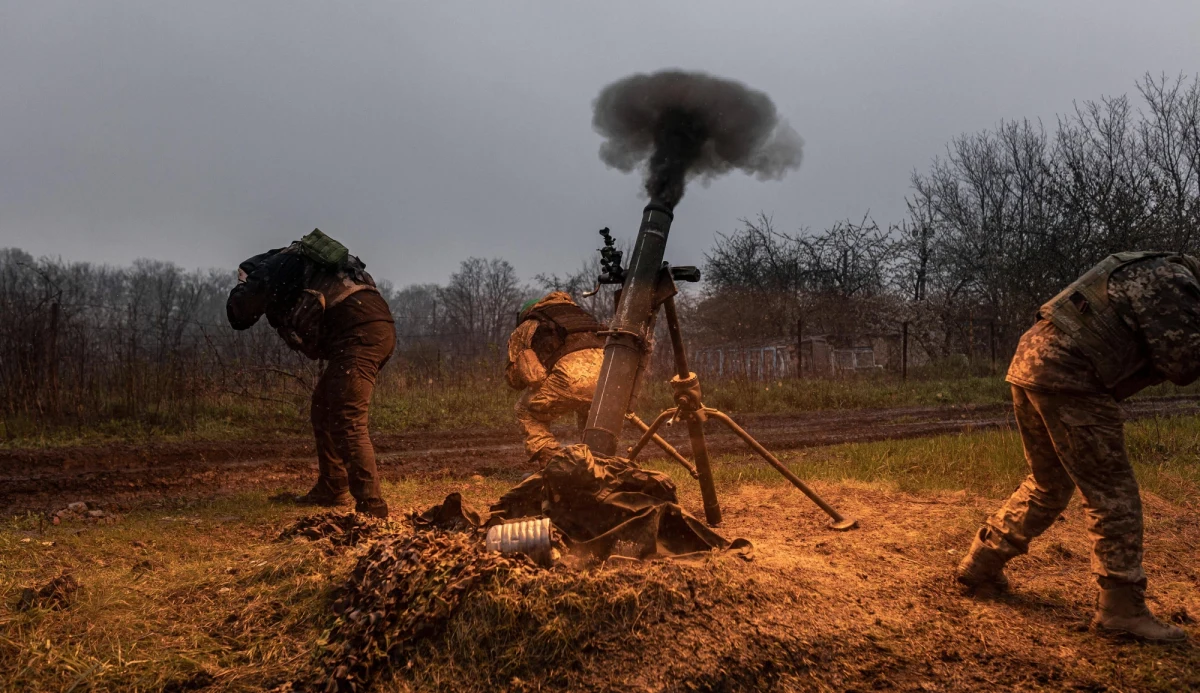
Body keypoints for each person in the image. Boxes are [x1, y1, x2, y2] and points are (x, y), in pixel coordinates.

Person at [956, 251, 1200, 642]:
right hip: (1070, 373)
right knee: (1113, 494)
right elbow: (1184, 362)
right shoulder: (1173, 282)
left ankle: (981, 561)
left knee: (1048, 482)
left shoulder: (1147, 265)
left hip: (1030, 360)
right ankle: (1121, 610)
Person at [226, 229, 395, 518]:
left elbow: (239, 314)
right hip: (373, 326)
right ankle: (332, 486)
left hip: (357, 334)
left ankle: (372, 508)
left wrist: (243, 284)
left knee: (347, 418)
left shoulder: (270, 269)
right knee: (324, 406)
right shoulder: (303, 260)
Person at [505, 291, 606, 465]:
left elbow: (516, 380)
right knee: (589, 411)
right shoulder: (583, 316)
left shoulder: (528, 325)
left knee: (525, 410)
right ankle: (597, 460)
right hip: (607, 381)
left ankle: (553, 464)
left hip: (569, 381)